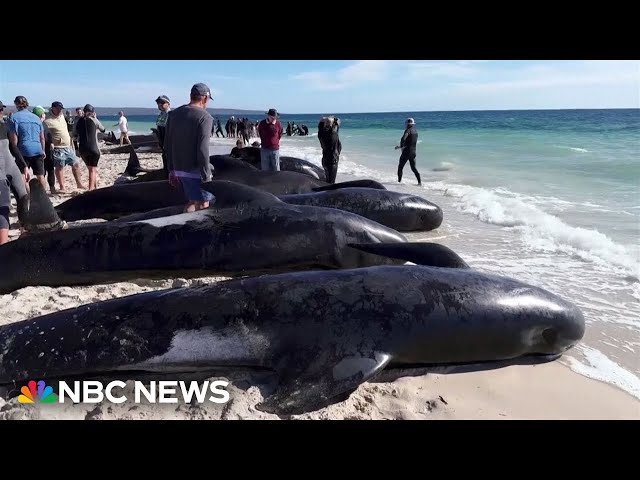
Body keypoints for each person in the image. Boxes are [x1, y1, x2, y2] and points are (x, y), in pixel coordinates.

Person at [164, 82, 215, 213]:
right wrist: (206, 175)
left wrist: (171, 170)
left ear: (191, 96)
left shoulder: (173, 114)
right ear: (205, 98)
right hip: (195, 170)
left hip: (179, 169)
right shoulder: (205, 117)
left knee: (193, 201)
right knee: (203, 204)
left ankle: (185, 225)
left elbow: (167, 144)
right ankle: (187, 227)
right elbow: (203, 149)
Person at [0, 100, 29, 244]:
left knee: (23, 196)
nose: (1, 112)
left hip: (11, 166)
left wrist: (23, 166)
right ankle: (3, 246)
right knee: (3, 206)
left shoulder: (4, 126)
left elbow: (13, 147)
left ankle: (25, 231)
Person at [43, 101, 86, 192]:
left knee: (76, 164)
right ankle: (62, 187)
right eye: (58, 109)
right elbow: (45, 133)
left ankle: (79, 184)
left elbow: (70, 127)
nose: (60, 111)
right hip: (58, 148)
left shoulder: (62, 116)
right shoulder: (47, 120)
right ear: (53, 108)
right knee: (60, 167)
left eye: (61, 109)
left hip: (68, 146)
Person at [6, 96, 46, 191]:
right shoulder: (36, 118)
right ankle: (44, 198)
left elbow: (13, 141)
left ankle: (27, 197)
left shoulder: (14, 118)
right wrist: (43, 150)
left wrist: (14, 153)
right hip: (37, 148)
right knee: (40, 175)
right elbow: (42, 138)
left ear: (16, 104)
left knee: (22, 174)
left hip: (23, 149)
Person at [75, 104, 106, 190]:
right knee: (93, 170)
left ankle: (94, 187)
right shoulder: (94, 120)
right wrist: (95, 118)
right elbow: (103, 129)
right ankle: (91, 189)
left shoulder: (79, 121)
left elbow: (74, 135)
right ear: (92, 112)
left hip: (82, 149)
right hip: (93, 148)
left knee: (91, 169)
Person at [395, 117, 421, 186]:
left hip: (407, 152)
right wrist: (402, 146)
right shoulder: (415, 131)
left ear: (407, 124)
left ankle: (399, 182)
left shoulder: (408, 130)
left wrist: (401, 146)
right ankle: (419, 183)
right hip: (413, 152)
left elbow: (403, 138)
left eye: (406, 124)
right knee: (413, 168)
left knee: (400, 167)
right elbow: (411, 142)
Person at [317, 116, 342, 184]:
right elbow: (339, 120)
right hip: (332, 162)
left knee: (327, 182)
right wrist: (332, 119)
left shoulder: (320, 134)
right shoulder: (333, 134)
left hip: (325, 160)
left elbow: (321, 123)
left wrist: (325, 120)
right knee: (331, 184)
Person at [154, 95, 171, 176]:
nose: (160, 104)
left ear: (168, 104)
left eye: (163, 102)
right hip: (162, 144)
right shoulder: (160, 115)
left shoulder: (171, 115)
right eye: (158, 103)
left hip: (169, 144)